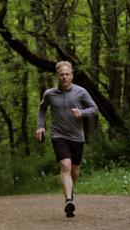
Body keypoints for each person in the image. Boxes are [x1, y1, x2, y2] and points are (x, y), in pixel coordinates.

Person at [36, 61, 98, 218]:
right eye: (61, 74)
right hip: (58, 135)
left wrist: (82, 113)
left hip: (77, 137)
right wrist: (40, 126)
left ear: (72, 75)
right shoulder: (49, 94)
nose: (64, 77)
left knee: (75, 171)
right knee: (66, 165)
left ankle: (69, 195)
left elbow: (94, 109)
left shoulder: (81, 92)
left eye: (67, 74)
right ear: (57, 75)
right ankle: (69, 200)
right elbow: (42, 108)